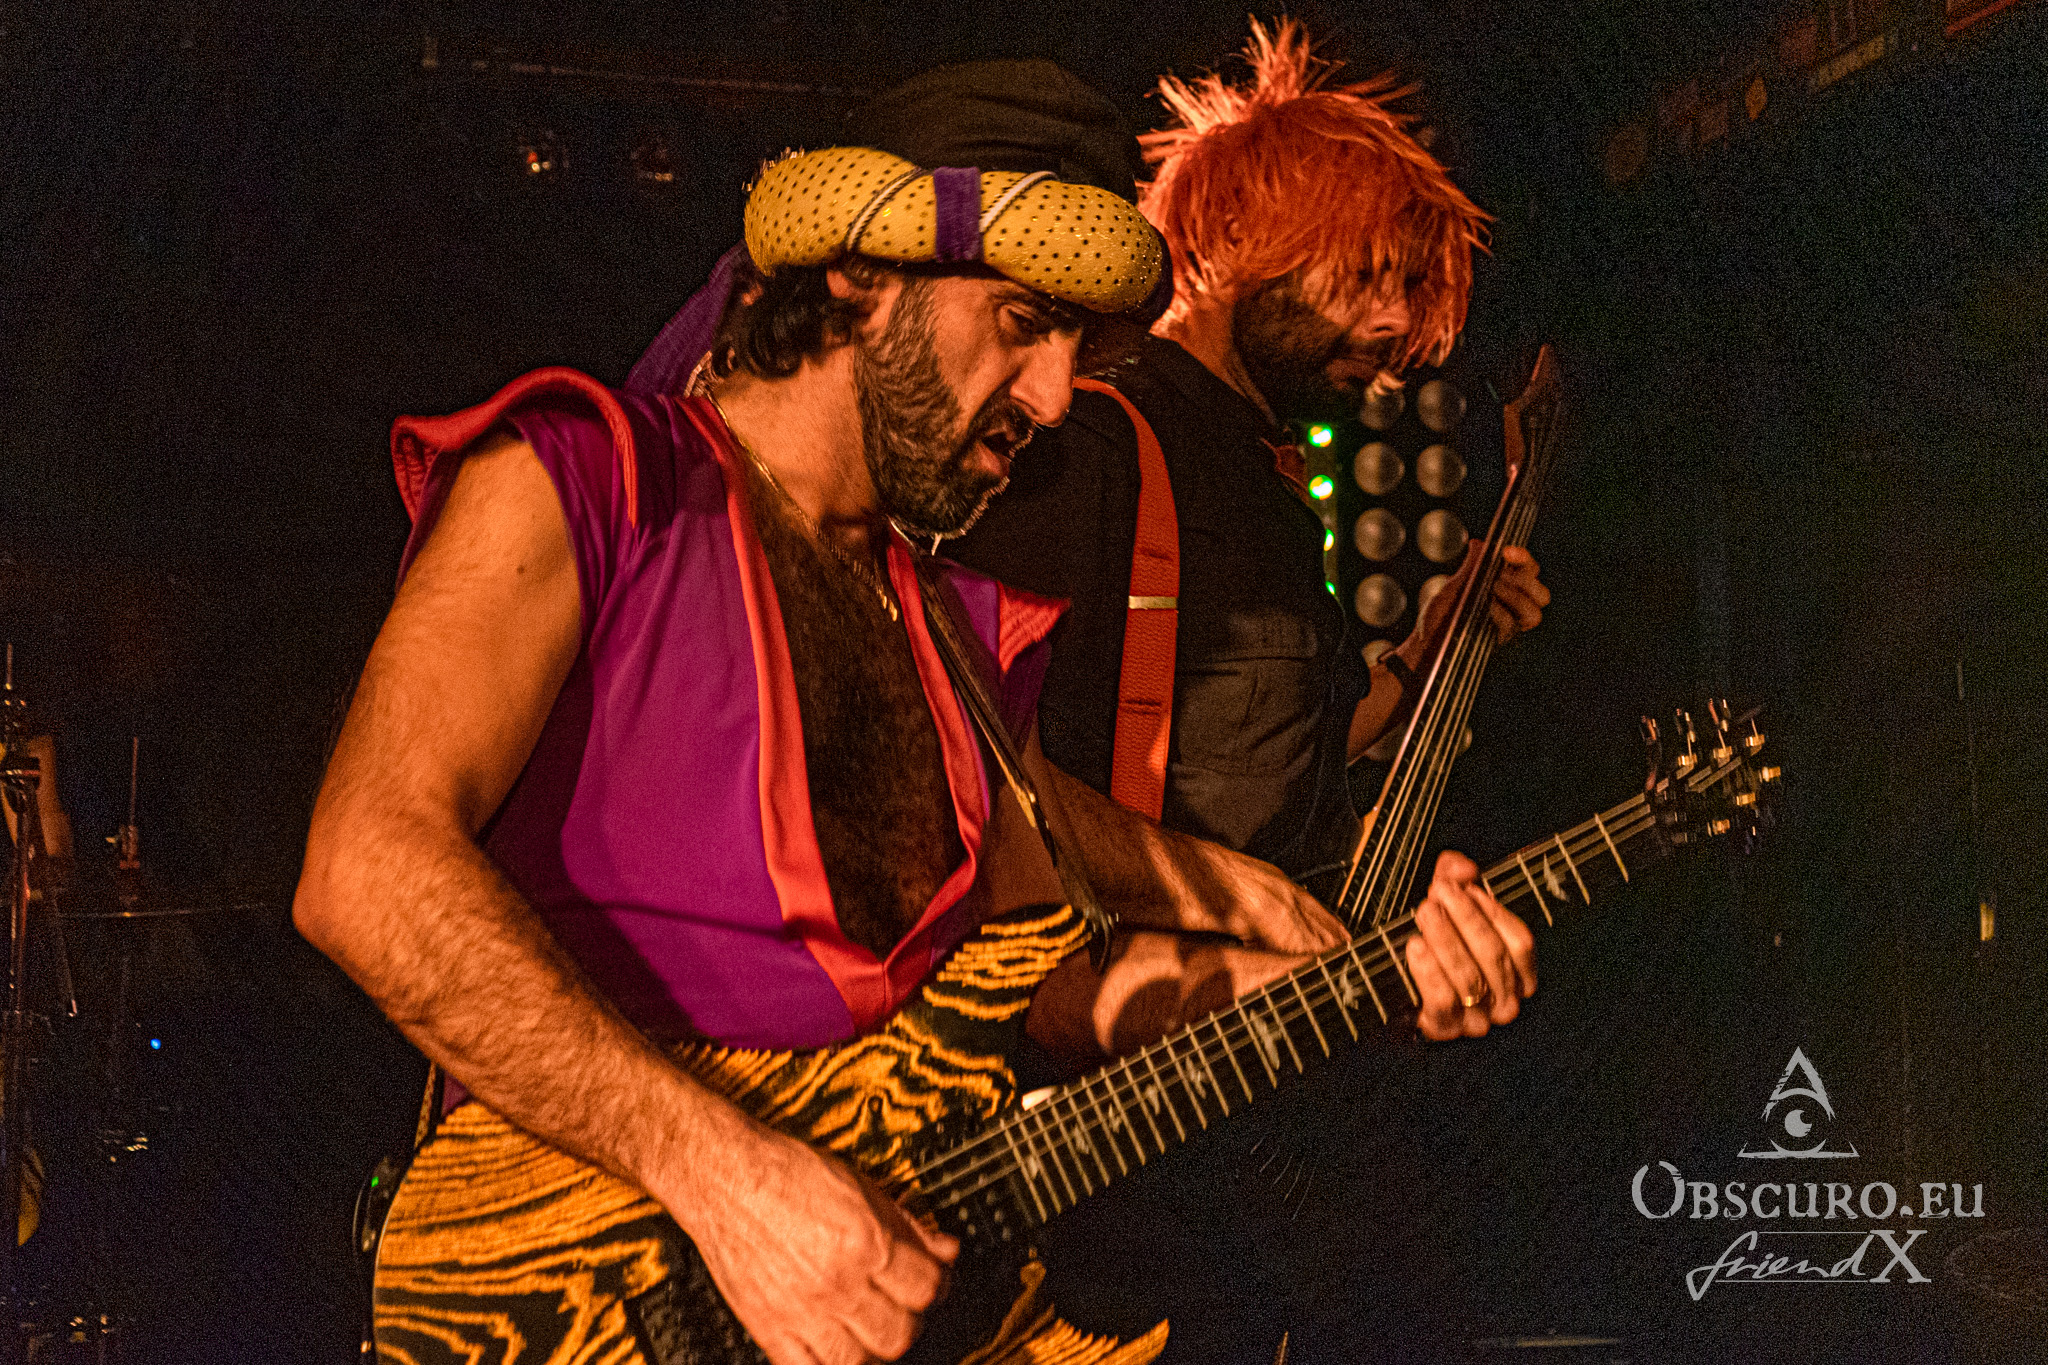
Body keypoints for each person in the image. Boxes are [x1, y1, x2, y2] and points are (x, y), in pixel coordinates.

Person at [296, 64, 1537, 1365]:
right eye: (1021, 322)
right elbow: (363, 866)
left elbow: (1039, 988)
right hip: (591, 1300)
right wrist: (724, 1178)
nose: (1053, 396)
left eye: (1075, 348)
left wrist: (1360, 984)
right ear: (861, 277)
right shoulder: (587, 478)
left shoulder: (953, 631)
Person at [949, 21, 1552, 1028]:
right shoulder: (1090, 447)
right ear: (1235, 238)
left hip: (1270, 1038)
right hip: (1135, 1041)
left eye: (1406, 289)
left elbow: (1280, 755)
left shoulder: (1263, 478)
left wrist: (1426, 648)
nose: (1396, 324)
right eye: (1364, 272)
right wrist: (1243, 896)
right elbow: (979, 769)